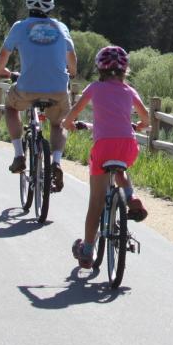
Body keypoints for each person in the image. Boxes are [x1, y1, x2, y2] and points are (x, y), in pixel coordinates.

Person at [62, 45, 151, 269]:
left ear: (99, 69)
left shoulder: (94, 88)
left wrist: (68, 124)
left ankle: (88, 249)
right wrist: (138, 126)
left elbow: (73, 113)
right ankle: (130, 197)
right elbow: (146, 119)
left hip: (103, 147)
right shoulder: (130, 91)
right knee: (121, 169)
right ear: (125, 70)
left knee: (96, 201)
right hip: (128, 145)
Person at [0, 0, 77, 190]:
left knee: (11, 107)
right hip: (58, 88)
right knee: (58, 124)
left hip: (27, 86)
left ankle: (19, 155)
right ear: (50, 8)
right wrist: (71, 73)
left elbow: (1, 60)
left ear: (29, 6)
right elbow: (72, 58)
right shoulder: (61, 27)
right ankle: (56, 162)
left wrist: (4, 72)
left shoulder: (19, 27)